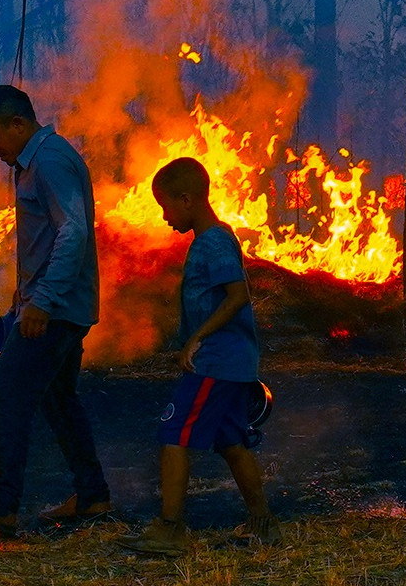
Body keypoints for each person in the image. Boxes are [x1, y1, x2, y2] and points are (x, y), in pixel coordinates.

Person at [0, 84, 112, 537]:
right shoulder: (34, 163)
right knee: (58, 397)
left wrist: (43, 301)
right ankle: (92, 494)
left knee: (9, 388)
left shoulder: (51, 160)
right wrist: (25, 299)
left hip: (56, 308)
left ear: (19, 123)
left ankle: (2, 503)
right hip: (52, 303)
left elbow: (73, 233)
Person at [117, 157, 282, 555]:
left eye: (165, 206)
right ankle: (264, 526)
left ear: (187, 199)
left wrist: (196, 339)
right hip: (230, 364)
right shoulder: (209, 240)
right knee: (231, 442)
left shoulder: (215, 242)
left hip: (216, 362)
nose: (163, 216)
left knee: (174, 432)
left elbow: (237, 294)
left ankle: (170, 529)